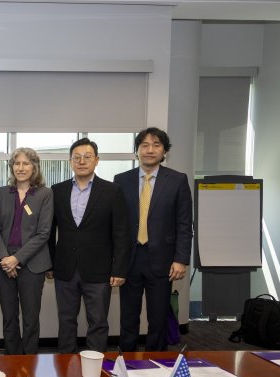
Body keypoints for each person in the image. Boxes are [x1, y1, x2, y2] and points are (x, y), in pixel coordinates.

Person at [114, 127, 192, 351]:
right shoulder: (121, 180)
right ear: (137, 150)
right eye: (145, 145)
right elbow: (117, 225)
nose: (150, 150)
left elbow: (185, 224)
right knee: (128, 317)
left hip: (163, 260)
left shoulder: (177, 180)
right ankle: (125, 362)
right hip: (130, 260)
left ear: (164, 151)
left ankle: (156, 364)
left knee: (157, 318)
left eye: (156, 145)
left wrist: (181, 259)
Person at [50, 138, 130, 354]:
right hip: (65, 268)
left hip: (99, 270)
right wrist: (50, 265)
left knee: (98, 322)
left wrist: (119, 269)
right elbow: (49, 231)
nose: (82, 161)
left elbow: (121, 233)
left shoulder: (112, 191)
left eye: (87, 157)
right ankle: (65, 367)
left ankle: (95, 369)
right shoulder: (57, 190)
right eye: (77, 158)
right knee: (66, 321)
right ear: (70, 162)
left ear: (97, 160)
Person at [0, 147, 53, 355]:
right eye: (17, 163)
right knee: (9, 318)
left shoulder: (45, 194)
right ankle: (12, 361)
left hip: (32, 266)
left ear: (34, 167)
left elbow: (43, 234)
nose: (21, 167)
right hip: (3, 265)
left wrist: (17, 259)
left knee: (30, 320)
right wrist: (5, 259)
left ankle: (29, 365)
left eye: (26, 163)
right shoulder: (2, 193)